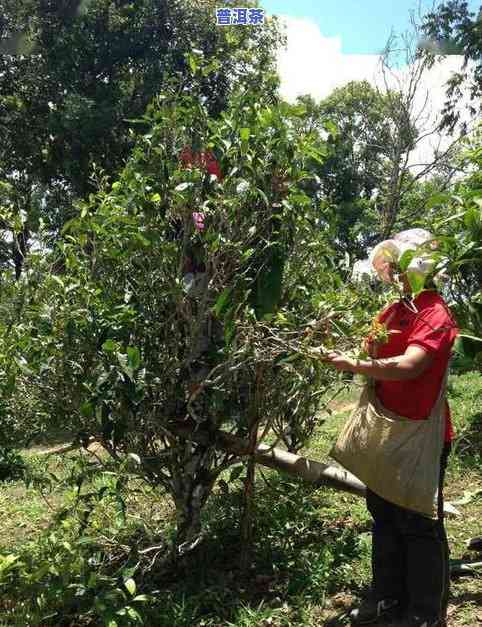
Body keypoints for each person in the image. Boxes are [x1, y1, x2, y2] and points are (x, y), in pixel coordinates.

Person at [322, 230, 459, 627]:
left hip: (421, 434)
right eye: (393, 269)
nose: (397, 276)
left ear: (422, 269)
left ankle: (424, 612)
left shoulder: (434, 312)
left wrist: (354, 365)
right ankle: (387, 598)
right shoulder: (393, 310)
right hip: (386, 429)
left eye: (403, 268)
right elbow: (365, 346)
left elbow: (410, 365)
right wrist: (329, 340)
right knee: (383, 514)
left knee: (418, 521)